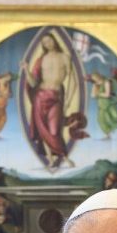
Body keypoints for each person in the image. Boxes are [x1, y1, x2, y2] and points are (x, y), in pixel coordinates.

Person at [21, 32, 77, 171]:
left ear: (54, 40)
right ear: (43, 45)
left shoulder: (64, 57)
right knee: (43, 130)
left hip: (56, 96)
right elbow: (33, 83)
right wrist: (26, 70)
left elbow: (73, 81)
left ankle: (64, 157)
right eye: (45, 43)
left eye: (49, 40)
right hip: (40, 96)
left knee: (54, 130)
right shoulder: (41, 59)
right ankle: (51, 160)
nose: (48, 44)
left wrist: (68, 101)